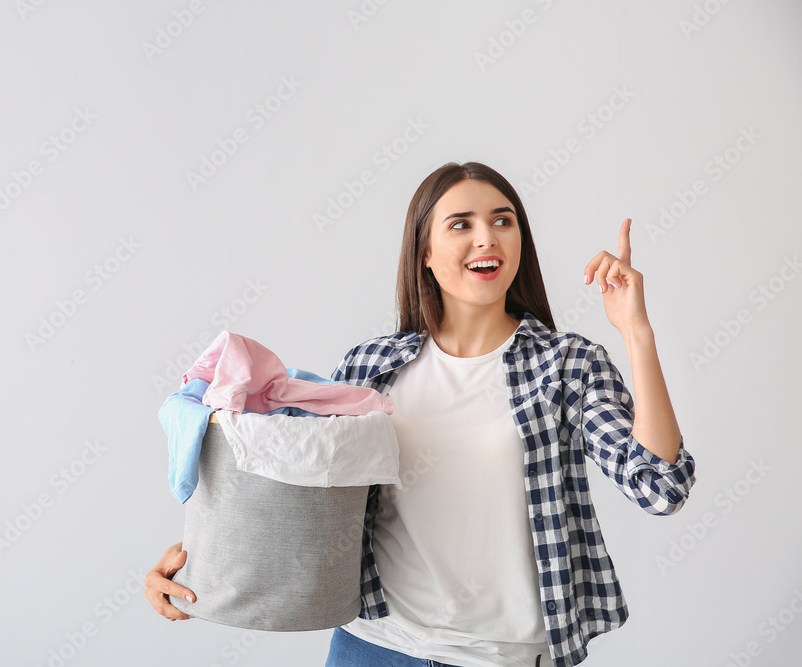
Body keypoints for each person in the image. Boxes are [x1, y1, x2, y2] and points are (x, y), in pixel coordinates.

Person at [144, 161, 696, 667]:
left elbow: (659, 487)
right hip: (375, 648)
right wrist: (198, 569)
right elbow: (296, 495)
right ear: (425, 253)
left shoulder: (567, 365)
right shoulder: (371, 368)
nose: (487, 236)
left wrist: (634, 332)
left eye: (503, 221)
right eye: (461, 224)